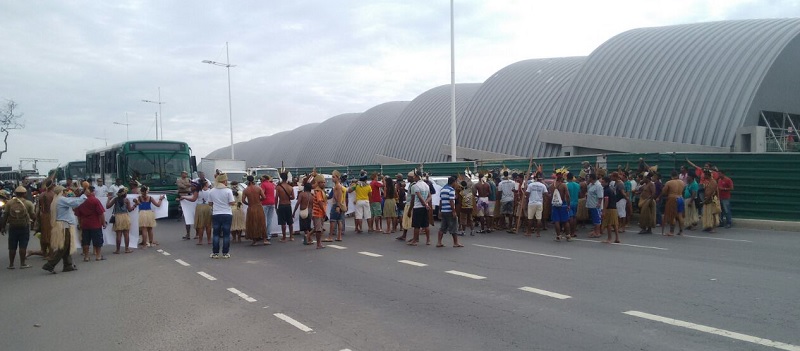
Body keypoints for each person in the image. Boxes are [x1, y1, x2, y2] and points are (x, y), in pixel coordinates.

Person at [42, 186, 86, 274]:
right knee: (64, 246)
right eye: (64, 191)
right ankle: (50, 264)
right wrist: (84, 196)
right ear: (61, 192)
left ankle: (68, 265)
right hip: (64, 225)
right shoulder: (61, 199)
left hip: (63, 225)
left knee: (67, 245)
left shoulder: (56, 200)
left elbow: (72, 201)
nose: (66, 192)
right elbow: (75, 203)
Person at [1, 186, 35, 269]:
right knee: (23, 245)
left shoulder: (9, 203)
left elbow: (5, 216)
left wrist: (2, 227)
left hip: (13, 227)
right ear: (24, 194)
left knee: (12, 246)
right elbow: (33, 215)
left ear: (15, 194)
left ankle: (11, 264)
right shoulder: (28, 203)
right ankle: (22, 264)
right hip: (24, 226)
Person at [75, 185, 107, 261]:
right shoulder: (95, 200)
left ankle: (86, 256)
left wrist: (80, 223)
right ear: (92, 192)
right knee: (97, 240)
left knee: (85, 241)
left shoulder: (80, 201)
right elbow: (101, 213)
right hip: (95, 224)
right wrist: (103, 223)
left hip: (85, 224)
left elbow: (78, 215)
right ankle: (98, 256)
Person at [208, 174, 235, 259]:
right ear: (224, 181)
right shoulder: (228, 191)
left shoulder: (212, 191)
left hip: (216, 214)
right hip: (227, 214)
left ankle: (215, 253)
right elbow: (232, 202)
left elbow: (210, 203)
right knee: (226, 234)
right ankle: (225, 253)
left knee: (216, 234)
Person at [27, 180, 55, 259]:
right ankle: (50, 253)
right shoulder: (53, 195)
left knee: (44, 235)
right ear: (52, 186)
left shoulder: (42, 195)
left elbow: (38, 208)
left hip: (42, 216)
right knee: (50, 235)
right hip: (50, 216)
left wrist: (37, 218)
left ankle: (44, 252)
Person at [181, 180, 212, 245]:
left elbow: (193, 199)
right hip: (208, 207)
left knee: (200, 225)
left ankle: (200, 241)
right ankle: (209, 240)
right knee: (208, 225)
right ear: (205, 184)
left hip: (200, 207)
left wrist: (184, 197)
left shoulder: (198, 191)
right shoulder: (210, 191)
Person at [436, 176, 463, 248]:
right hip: (449, 210)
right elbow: (451, 201)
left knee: (443, 227)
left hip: (444, 210)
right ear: (453, 182)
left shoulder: (443, 189)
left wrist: (440, 210)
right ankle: (455, 243)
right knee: (454, 226)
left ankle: (439, 242)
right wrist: (454, 211)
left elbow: (441, 201)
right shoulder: (451, 190)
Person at [657, 171, 686, 236]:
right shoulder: (682, 182)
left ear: (671, 176)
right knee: (680, 216)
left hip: (673, 199)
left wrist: (659, 197)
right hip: (681, 198)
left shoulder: (669, 182)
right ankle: (681, 231)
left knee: (672, 215)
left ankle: (671, 232)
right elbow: (683, 190)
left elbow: (664, 191)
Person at [406, 171, 431, 246]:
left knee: (416, 225)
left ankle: (415, 240)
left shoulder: (415, 186)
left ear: (417, 177)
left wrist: (410, 210)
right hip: (424, 207)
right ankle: (428, 240)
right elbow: (430, 196)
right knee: (426, 225)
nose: (413, 178)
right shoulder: (426, 185)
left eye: (414, 176)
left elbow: (416, 198)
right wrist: (426, 203)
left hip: (418, 207)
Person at [242, 176, 267, 245]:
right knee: (261, 222)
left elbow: (243, 200)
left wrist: (248, 203)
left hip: (251, 207)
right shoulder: (258, 188)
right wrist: (259, 200)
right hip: (258, 206)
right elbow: (264, 197)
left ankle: (254, 240)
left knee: (252, 223)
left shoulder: (246, 190)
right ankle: (265, 239)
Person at [550, 171, 571, 242]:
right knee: (565, 221)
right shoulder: (564, 185)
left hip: (555, 205)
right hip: (563, 204)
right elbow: (567, 196)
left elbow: (551, 196)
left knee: (556, 221)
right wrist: (568, 205)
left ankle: (558, 236)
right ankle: (568, 235)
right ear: (561, 178)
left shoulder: (552, 186)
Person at [525, 173, 548, 237]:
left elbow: (527, 194)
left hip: (531, 203)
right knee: (539, 219)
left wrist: (527, 201)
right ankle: (538, 233)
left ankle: (529, 232)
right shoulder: (543, 185)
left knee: (530, 218)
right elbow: (546, 194)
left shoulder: (531, 185)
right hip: (539, 203)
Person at [275, 171, 295, 243]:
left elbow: (276, 197)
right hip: (288, 205)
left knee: (283, 222)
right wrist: (288, 197)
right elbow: (293, 197)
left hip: (281, 205)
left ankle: (284, 237)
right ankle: (291, 236)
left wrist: (275, 207)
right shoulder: (290, 187)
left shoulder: (278, 187)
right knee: (290, 222)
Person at [600, 176, 620, 244]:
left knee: (609, 224)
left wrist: (604, 210)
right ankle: (617, 238)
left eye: (603, 182)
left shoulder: (606, 190)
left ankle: (609, 238)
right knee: (615, 224)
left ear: (607, 182)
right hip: (614, 208)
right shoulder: (612, 189)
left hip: (609, 209)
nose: (601, 183)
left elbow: (606, 201)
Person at [311, 174, 328, 249]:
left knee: (318, 229)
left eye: (324, 182)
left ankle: (309, 237)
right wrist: (324, 212)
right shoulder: (318, 191)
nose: (324, 184)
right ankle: (318, 244)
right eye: (322, 182)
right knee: (318, 230)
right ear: (318, 183)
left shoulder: (320, 191)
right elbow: (320, 202)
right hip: (318, 212)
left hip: (319, 212)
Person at [585, 174, 604, 238]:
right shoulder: (590, 185)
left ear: (591, 178)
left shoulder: (598, 186)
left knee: (597, 219)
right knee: (594, 219)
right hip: (591, 205)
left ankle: (597, 232)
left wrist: (599, 204)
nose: (587, 179)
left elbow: (600, 196)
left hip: (595, 205)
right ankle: (595, 231)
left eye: (588, 177)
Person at [260, 175, 276, 243]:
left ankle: (264, 234)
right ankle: (268, 235)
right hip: (272, 202)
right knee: (269, 219)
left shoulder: (263, 184)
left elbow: (262, 194)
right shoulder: (272, 184)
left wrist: (259, 199)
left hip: (265, 202)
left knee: (264, 219)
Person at [177, 171, 193, 238]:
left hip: (189, 196)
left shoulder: (189, 179)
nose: (185, 175)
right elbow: (181, 186)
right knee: (185, 213)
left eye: (186, 174)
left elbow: (190, 185)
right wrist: (187, 185)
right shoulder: (179, 180)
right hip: (182, 195)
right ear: (181, 174)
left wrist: (186, 185)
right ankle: (188, 234)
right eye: (184, 174)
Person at [566, 173, 580, 237]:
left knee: (570, 218)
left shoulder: (566, 185)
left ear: (567, 177)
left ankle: (569, 232)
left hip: (569, 203)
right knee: (574, 217)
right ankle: (573, 232)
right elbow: (579, 194)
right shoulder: (577, 185)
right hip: (576, 202)